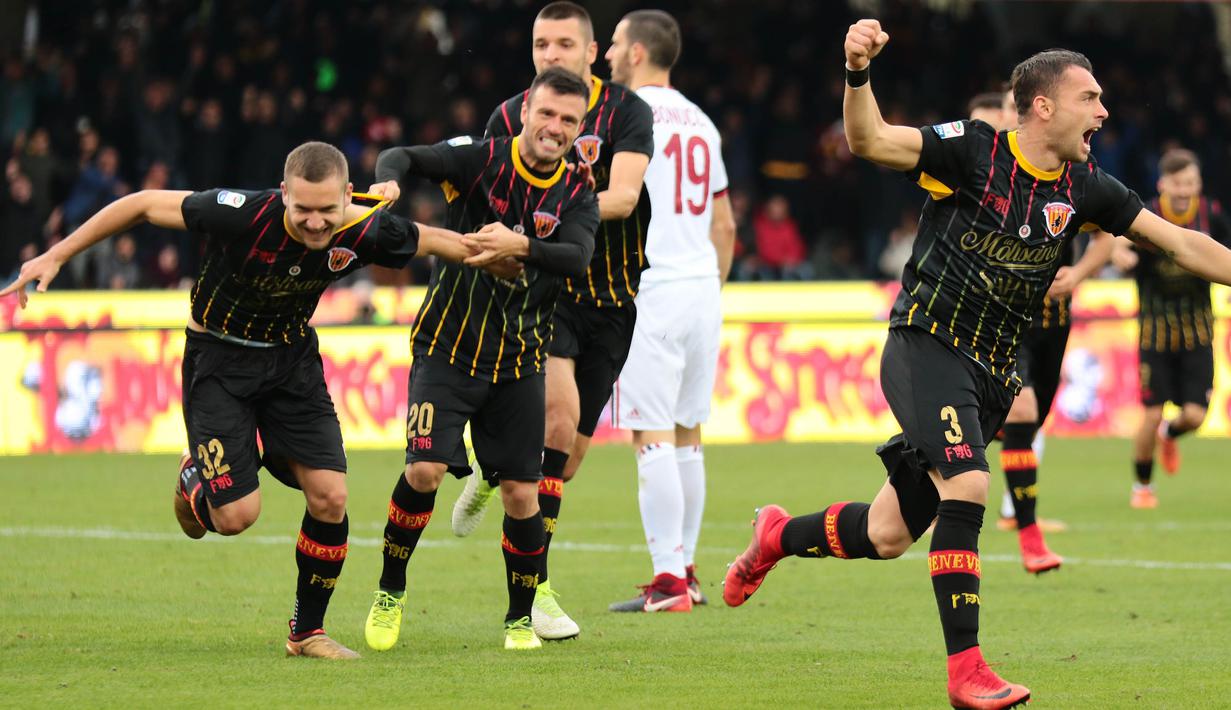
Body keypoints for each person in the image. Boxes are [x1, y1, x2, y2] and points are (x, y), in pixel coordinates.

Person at [724, 21, 1231, 709]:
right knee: (966, 483)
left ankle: (775, 536)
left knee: (886, 533)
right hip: (926, 344)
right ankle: (965, 671)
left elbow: (1180, 242)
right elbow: (868, 139)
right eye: (1089, 97)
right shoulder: (971, 151)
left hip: (990, 373)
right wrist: (855, 72)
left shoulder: (1084, 187)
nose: (1103, 111)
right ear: (1044, 106)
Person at [1, 141, 480, 659]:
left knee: (330, 497)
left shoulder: (366, 227)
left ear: (347, 196)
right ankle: (194, 481)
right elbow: (140, 203)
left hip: (291, 364)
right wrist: (55, 254)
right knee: (235, 517)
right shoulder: (239, 214)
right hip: (219, 362)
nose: (317, 223)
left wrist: (514, 259)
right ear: (283, 194)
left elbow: (439, 242)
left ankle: (306, 633)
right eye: (303, 210)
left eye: (328, 210)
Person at [361, 67, 599, 652]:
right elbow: (400, 155)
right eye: (547, 114)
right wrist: (388, 185)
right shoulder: (480, 160)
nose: (556, 127)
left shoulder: (578, 192)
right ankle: (391, 590)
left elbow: (576, 257)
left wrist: (518, 245)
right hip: (447, 348)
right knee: (424, 473)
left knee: (524, 494)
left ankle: (519, 620)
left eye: (569, 120)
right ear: (525, 113)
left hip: (519, 363)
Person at [447, 0, 655, 641]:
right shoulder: (509, 118)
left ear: (592, 52)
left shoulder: (626, 112)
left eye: (565, 44)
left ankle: (498, 468)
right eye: (541, 45)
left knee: (561, 462)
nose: (551, 56)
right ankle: (535, 592)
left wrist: (566, 199)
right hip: (546, 292)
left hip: (613, 297)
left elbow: (623, 194)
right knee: (558, 418)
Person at [601, 10, 735, 613]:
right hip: (702, 286)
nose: (605, 54)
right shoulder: (703, 122)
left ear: (635, 53)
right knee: (687, 433)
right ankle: (686, 571)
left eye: (612, 44)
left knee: (649, 433)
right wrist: (710, 285)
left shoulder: (626, 118)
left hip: (650, 288)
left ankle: (668, 583)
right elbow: (725, 223)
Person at [966, 88, 1113, 569]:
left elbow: (1110, 234)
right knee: (1021, 411)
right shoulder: (983, 179)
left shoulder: (1068, 179)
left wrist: (1079, 274)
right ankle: (1027, 530)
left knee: (1015, 427)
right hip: (1001, 324)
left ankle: (936, 487)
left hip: (1055, 325)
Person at [1112, 148, 1231, 508]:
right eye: (1178, 183)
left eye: (1191, 183)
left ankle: (1171, 433)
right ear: (1164, 183)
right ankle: (1143, 488)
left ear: (1198, 185)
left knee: (1195, 416)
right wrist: (1119, 254)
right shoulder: (1146, 215)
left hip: (1198, 334)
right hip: (1155, 336)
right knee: (1150, 413)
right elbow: (1117, 236)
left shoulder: (1212, 217)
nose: (1184, 190)